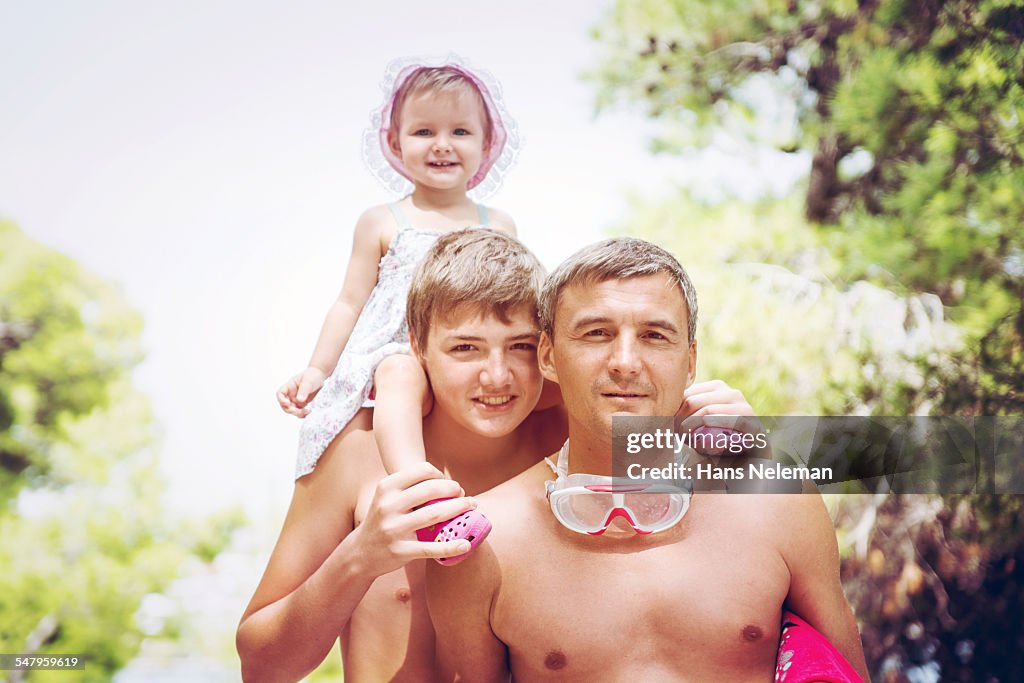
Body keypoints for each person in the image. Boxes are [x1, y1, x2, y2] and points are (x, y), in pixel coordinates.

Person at [238, 230, 758, 681]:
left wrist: (746, 439)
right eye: (465, 348)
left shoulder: (572, 441)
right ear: (417, 346)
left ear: (550, 352)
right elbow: (260, 668)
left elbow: (726, 498)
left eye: (521, 348)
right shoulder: (359, 455)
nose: (497, 377)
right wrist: (361, 556)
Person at [426, 237, 870, 681]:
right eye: (596, 333)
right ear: (549, 356)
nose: (624, 362)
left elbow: (849, 671)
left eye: (654, 336)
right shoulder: (484, 542)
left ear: (690, 361)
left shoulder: (777, 501)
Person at [276, 57, 519, 560]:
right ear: (394, 142)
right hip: (399, 348)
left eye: (460, 131)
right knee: (399, 374)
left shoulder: (498, 224)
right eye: (423, 130)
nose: (442, 144)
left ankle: (662, 451)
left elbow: (516, 301)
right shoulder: (383, 221)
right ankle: (423, 499)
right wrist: (318, 369)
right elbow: (349, 302)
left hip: (470, 353)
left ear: (486, 143)